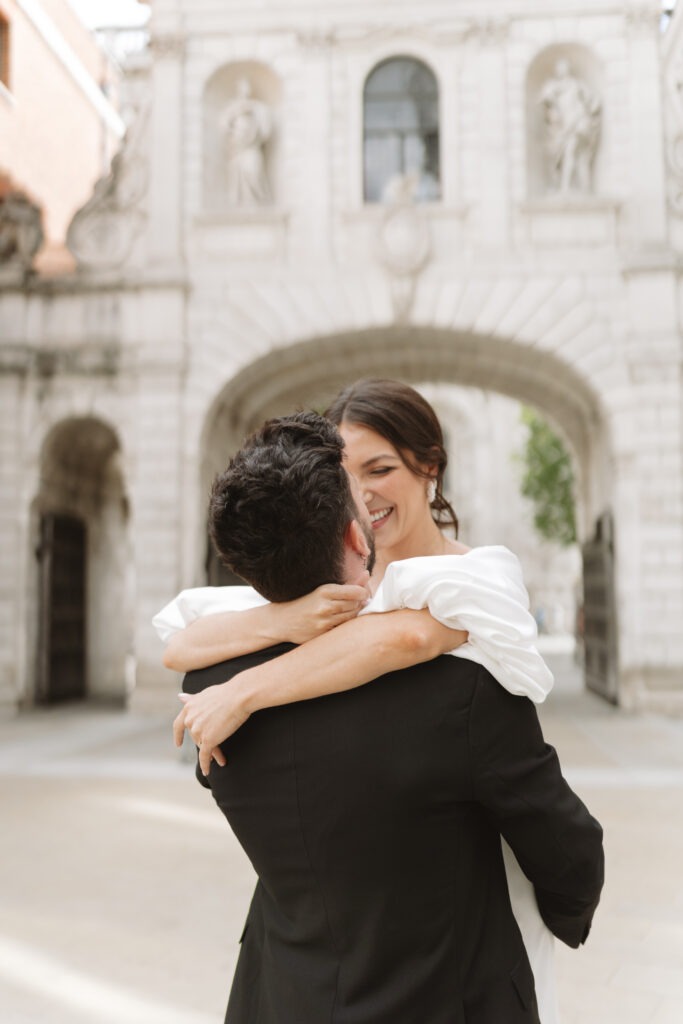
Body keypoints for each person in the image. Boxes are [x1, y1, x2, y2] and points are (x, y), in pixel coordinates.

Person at [160, 405, 604, 1023]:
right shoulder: (462, 685)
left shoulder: (209, 685)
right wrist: (558, 913)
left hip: (284, 997)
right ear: (353, 536)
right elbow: (570, 851)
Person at [539, 59, 601, 195]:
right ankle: (570, 186)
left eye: (564, 67)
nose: (562, 70)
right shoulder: (553, 87)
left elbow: (594, 101)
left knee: (573, 152)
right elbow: (545, 100)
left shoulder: (576, 84)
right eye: (560, 67)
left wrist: (590, 112)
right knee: (567, 154)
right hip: (563, 125)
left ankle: (568, 187)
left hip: (577, 121)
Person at [221, 77, 272, 206]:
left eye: (247, 87)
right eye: (242, 87)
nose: (245, 90)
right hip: (237, 148)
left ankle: (259, 200)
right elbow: (224, 125)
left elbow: (265, 128)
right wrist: (234, 133)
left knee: (254, 170)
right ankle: (241, 203)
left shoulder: (256, 106)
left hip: (253, 146)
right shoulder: (233, 107)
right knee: (238, 175)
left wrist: (256, 132)